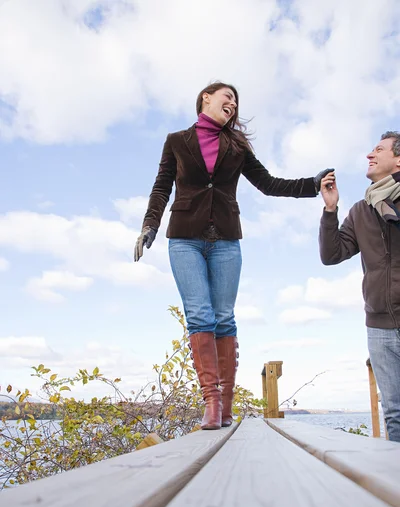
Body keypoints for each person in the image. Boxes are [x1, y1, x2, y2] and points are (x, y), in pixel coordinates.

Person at [134, 81, 331, 430]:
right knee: (199, 315)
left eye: (236, 101)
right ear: (205, 98)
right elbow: (162, 186)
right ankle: (211, 403)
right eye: (228, 97)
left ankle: (226, 405)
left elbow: (269, 184)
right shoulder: (177, 141)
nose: (233, 104)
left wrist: (311, 185)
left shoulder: (236, 146)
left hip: (226, 240)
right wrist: (149, 225)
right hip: (184, 239)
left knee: (223, 317)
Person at [319, 131, 400, 442]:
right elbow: (331, 254)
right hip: (379, 326)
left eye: (379, 150)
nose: (370, 155)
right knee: (394, 411)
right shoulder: (360, 210)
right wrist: (330, 209)